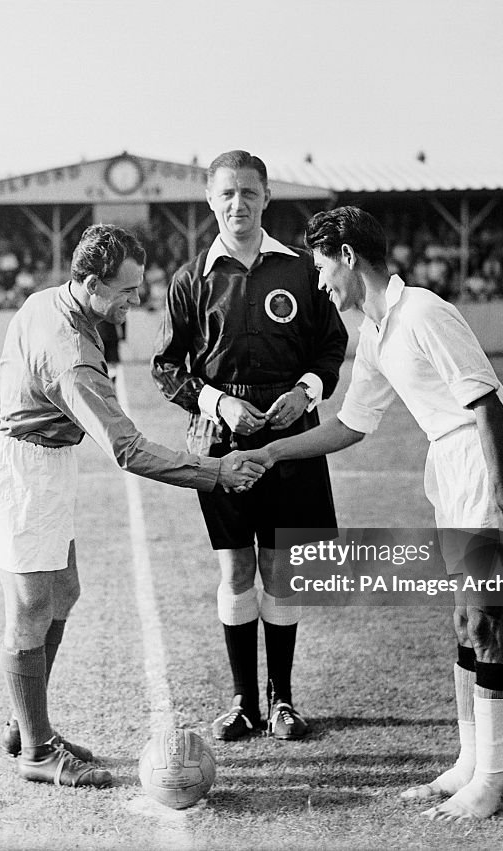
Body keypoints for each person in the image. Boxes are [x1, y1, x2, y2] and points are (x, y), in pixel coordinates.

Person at [238, 206, 503, 820]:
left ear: (349, 256)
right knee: (465, 624)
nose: (321, 283)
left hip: (487, 464)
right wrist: (275, 449)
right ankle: (468, 764)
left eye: (324, 267)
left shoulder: (424, 311)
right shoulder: (376, 335)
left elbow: (485, 403)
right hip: (451, 467)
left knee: (489, 624)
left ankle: (493, 780)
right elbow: (352, 425)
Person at [0, 224, 264, 789]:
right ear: (89, 281)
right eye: (125, 291)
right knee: (30, 607)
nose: (135, 300)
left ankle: (21, 722)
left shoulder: (50, 300)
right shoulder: (71, 355)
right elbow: (126, 449)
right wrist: (215, 471)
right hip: (21, 468)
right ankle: (35, 749)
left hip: (41, 461)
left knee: (63, 591)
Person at [152, 150, 348, 743]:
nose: (238, 204)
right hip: (221, 439)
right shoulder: (190, 280)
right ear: (211, 202)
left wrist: (308, 390)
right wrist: (216, 402)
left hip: (291, 433)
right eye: (227, 195)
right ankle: (243, 700)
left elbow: (330, 347)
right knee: (238, 564)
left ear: (267, 198)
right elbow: (166, 368)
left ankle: (282, 699)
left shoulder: (300, 271)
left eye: (249, 193)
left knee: (280, 567)